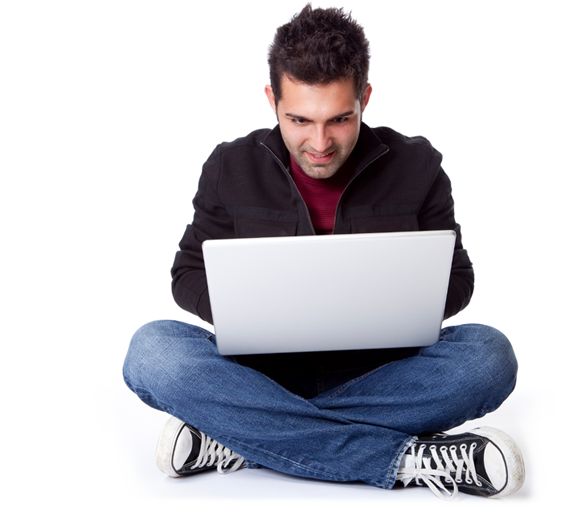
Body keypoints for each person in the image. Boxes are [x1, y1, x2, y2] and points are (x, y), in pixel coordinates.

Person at [123, 4, 525, 500]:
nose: (319, 142)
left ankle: (243, 437)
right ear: (272, 100)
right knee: (152, 351)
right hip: (258, 374)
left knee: (489, 357)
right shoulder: (230, 166)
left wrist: (395, 307)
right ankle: (404, 460)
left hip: (385, 374)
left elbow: (458, 277)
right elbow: (187, 273)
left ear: (365, 98)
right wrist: (247, 312)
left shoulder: (418, 165)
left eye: (339, 119)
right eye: (299, 119)